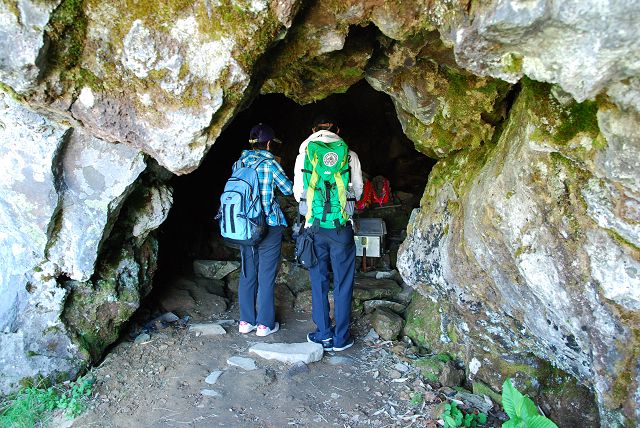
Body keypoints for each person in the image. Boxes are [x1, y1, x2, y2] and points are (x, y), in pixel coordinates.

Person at [293, 115, 363, 351]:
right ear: (338, 130)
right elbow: (358, 191)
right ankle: (341, 338)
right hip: (341, 228)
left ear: (312, 130)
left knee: (318, 281)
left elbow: (298, 193)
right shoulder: (349, 155)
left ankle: (323, 333)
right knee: (343, 283)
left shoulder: (304, 154)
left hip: (314, 228)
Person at [235, 123, 293, 337]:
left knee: (248, 273)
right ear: (269, 143)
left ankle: (245, 321)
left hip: (245, 227)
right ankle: (264, 325)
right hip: (268, 224)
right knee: (266, 275)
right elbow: (288, 189)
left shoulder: (239, 163)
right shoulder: (270, 164)